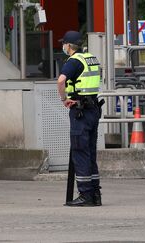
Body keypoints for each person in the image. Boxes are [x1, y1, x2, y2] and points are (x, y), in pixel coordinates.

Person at [57, 31, 103, 207]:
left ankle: (85, 195)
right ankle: (95, 194)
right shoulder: (91, 58)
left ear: (69, 46)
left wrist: (63, 99)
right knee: (90, 152)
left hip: (80, 111)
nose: (63, 47)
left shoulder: (74, 61)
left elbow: (61, 81)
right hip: (93, 109)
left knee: (80, 152)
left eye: (64, 44)